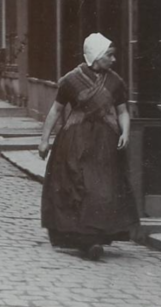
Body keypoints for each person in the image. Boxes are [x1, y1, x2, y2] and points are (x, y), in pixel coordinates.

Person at [38, 33, 138, 260]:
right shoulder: (70, 81)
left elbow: (122, 111)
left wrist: (125, 132)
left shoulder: (115, 82)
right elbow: (56, 110)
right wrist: (44, 140)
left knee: (101, 189)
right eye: (109, 55)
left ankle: (93, 237)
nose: (113, 60)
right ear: (96, 55)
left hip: (105, 144)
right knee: (76, 187)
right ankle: (85, 240)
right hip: (74, 142)